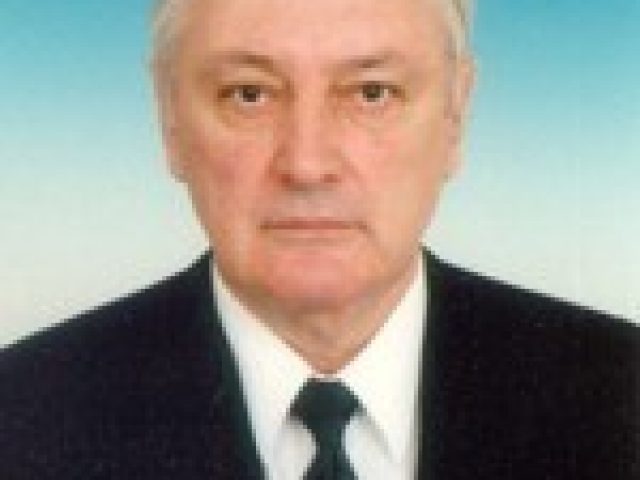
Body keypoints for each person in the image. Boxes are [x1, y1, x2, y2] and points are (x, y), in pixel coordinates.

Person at [1, 0, 637, 478]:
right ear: (169, 118)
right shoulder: (23, 415)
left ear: (455, 114)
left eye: (371, 93)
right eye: (249, 95)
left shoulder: (618, 394)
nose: (306, 165)